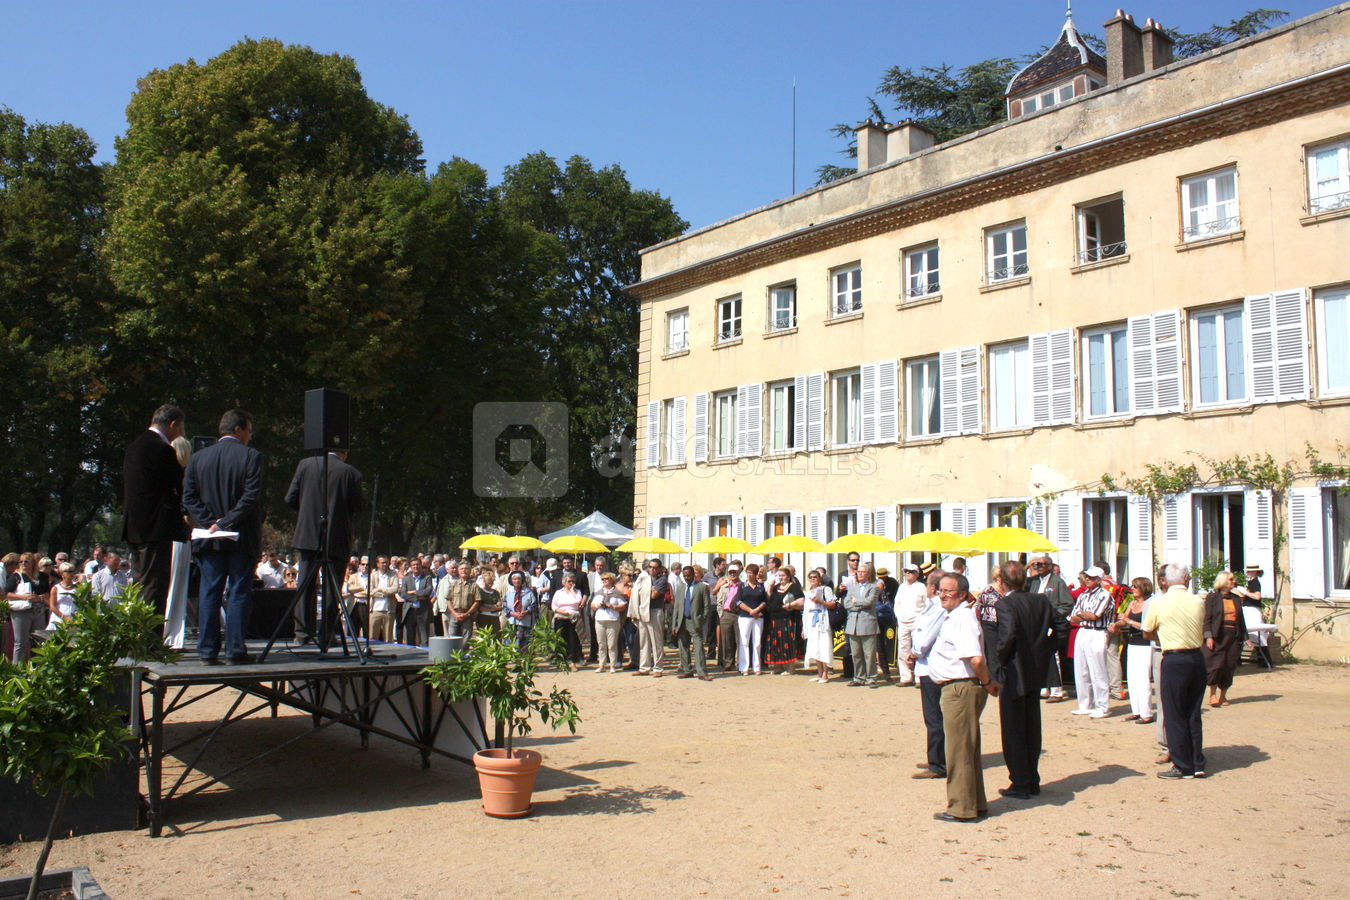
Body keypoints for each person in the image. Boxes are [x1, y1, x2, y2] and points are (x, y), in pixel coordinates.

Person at [182, 409, 265, 665]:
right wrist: (226, 521)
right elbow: (251, 496)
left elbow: (189, 498)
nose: (250, 437)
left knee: (210, 593)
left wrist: (209, 522)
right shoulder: (252, 456)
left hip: (209, 538)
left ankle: (207, 650)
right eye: (249, 431)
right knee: (239, 592)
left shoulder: (198, 458)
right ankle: (235, 649)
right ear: (239, 430)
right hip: (241, 535)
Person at [930, 573, 999, 822]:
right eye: (941, 590)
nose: (943, 594)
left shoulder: (962, 619)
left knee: (958, 751)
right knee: (966, 748)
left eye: (949, 591)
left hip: (961, 688)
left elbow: (976, 658)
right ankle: (974, 803)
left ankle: (961, 808)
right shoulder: (954, 617)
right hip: (956, 687)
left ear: (962, 594)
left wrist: (987, 682)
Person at [993, 561, 1062, 800]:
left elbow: (1008, 635)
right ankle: (1031, 778)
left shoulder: (1006, 603)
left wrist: (998, 660)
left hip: (1014, 670)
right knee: (1031, 726)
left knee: (1013, 728)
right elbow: (1062, 626)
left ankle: (1020, 781)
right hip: (1035, 668)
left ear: (1002, 581)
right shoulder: (1040, 600)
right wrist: (1046, 648)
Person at [285, 448, 363, 643]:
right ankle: (326, 634)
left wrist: (306, 512)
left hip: (307, 534)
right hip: (336, 537)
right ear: (344, 452)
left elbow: (290, 498)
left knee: (305, 584)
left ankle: (302, 633)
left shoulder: (305, 465)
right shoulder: (350, 473)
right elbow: (359, 506)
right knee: (332, 587)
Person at [122, 404, 189, 619]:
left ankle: (137, 638)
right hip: (156, 530)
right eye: (180, 429)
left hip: (134, 528)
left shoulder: (133, 447)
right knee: (155, 588)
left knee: (141, 584)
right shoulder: (162, 449)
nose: (180, 434)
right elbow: (179, 486)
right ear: (172, 424)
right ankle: (152, 644)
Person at [1144, 563, 1208, 779]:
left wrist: (1163, 637)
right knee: (1192, 712)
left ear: (1165, 580)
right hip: (1195, 657)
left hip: (1173, 657)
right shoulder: (1197, 601)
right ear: (1187, 579)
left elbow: (1147, 632)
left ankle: (1182, 765)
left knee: (1174, 713)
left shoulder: (1159, 603)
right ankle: (1197, 761)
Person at [1069, 566, 1115, 718]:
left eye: (1092, 577)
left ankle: (1102, 706)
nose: (1088, 579)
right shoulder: (1084, 595)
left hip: (1098, 632)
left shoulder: (1104, 594)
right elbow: (1073, 617)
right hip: (1083, 631)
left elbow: (1095, 615)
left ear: (1099, 579)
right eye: (1087, 576)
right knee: (1081, 669)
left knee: (1098, 670)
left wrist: (1081, 614)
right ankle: (1086, 704)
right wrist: (1083, 615)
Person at [1028, 555, 1072, 701]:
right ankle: (1043, 688)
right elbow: (1015, 582)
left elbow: (1066, 604)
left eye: (1041, 564)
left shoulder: (1058, 582)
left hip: (1051, 624)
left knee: (1053, 657)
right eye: (1036, 565)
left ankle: (1056, 691)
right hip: (1036, 624)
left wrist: (1053, 618)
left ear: (1050, 566)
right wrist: (1027, 565)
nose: (1038, 567)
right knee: (1038, 655)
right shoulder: (1034, 582)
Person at [1203, 570, 1248, 707]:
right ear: (1223, 581)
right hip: (1218, 635)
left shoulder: (1236, 599)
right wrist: (1208, 636)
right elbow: (1207, 619)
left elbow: (1241, 620)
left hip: (1233, 635)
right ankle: (1212, 695)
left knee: (1229, 665)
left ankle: (1223, 695)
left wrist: (1245, 637)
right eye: (1231, 579)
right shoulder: (1212, 598)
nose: (1234, 582)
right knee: (1216, 665)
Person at [1118, 577, 1156, 724]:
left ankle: (1146, 713)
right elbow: (1124, 619)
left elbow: (1146, 626)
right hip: (1132, 643)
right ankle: (1136, 711)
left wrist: (1128, 622)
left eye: (1135, 586)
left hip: (1145, 644)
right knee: (1132, 678)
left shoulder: (1149, 604)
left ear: (1143, 588)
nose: (1132, 589)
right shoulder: (1133, 603)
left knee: (1143, 679)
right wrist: (1117, 624)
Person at [671, 565, 712, 680]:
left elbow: (706, 606)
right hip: (682, 621)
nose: (687, 578)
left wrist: (702, 619)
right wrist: (674, 624)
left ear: (694, 575)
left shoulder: (701, 587)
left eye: (689, 575)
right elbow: (676, 608)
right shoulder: (680, 588)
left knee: (698, 646)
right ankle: (687, 670)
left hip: (695, 621)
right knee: (683, 646)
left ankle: (701, 671)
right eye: (684, 576)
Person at [630, 559, 669, 676]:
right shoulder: (644, 578)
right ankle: (644, 667)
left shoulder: (662, 580)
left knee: (656, 641)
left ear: (660, 569)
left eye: (655, 567)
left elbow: (653, 595)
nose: (652, 569)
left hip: (655, 612)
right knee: (644, 641)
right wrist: (648, 590)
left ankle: (658, 668)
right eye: (651, 567)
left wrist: (646, 591)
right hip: (643, 611)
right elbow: (637, 592)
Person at [843, 562, 881, 687]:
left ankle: (871, 678)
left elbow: (869, 602)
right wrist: (859, 605)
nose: (859, 574)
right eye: (858, 572)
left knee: (869, 654)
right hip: (853, 624)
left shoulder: (873, 587)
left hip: (867, 623)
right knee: (856, 653)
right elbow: (846, 604)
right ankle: (859, 677)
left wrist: (856, 602)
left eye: (862, 572)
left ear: (868, 574)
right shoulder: (852, 588)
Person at [2, 553, 43, 663]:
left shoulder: (38, 577)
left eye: (26, 561)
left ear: (33, 563)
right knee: (20, 642)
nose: (23, 564)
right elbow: (6, 594)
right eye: (21, 561)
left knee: (39, 640)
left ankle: (38, 669)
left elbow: (45, 592)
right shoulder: (16, 576)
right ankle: (17, 671)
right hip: (21, 612)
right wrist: (24, 597)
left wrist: (40, 597)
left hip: (37, 610)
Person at [763, 568, 803, 675]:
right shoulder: (775, 588)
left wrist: (791, 605)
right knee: (776, 643)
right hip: (774, 619)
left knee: (787, 643)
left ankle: (790, 668)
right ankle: (778, 667)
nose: (780, 578)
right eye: (779, 576)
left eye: (783, 576)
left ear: (788, 577)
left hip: (788, 619)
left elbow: (802, 601)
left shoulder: (794, 587)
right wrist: (770, 590)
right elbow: (769, 601)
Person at [801, 570, 837, 683]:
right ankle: (819, 672)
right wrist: (804, 628)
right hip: (812, 621)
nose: (813, 579)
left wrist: (820, 601)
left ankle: (825, 673)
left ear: (819, 578)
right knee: (814, 647)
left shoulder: (826, 589)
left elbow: (832, 604)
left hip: (822, 620)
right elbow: (806, 610)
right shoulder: (809, 592)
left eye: (815, 577)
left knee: (823, 645)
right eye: (810, 577)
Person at [894, 564, 927, 685]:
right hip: (903, 622)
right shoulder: (902, 587)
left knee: (918, 649)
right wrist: (899, 617)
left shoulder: (921, 587)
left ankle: (919, 677)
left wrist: (921, 619)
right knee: (903, 649)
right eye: (906, 571)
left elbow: (926, 604)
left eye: (911, 572)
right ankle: (905, 677)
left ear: (917, 574)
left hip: (917, 622)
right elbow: (897, 603)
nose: (908, 573)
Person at [1237, 563, 1272, 668]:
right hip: (1248, 609)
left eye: (1249, 571)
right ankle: (1238, 660)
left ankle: (1265, 662)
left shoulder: (1256, 582)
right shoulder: (1250, 582)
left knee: (1257, 635)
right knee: (1245, 633)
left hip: (1253, 610)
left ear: (1255, 572)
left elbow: (1257, 597)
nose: (1247, 572)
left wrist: (1245, 593)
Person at [590, 572, 627, 672]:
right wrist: (597, 605)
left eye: (606, 579)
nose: (604, 581)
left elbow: (623, 606)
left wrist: (613, 606)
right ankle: (602, 665)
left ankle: (612, 665)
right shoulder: (598, 592)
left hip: (613, 620)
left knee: (612, 644)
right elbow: (592, 605)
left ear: (611, 580)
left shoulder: (617, 593)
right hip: (600, 620)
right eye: (603, 579)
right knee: (601, 644)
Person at [735, 564, 768, 676]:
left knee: (757, 642)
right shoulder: (742, 586)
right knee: (744, 641)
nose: (749, 575)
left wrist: (757, 610)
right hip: (745, 616)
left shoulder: (760, 587)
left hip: (758, 617)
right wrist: (750, 611)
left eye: (751, 573)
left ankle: (756, 666)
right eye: (747, 573)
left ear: (755, 574)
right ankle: (744, 667)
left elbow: (764, 601)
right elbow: (738, 601)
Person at [438, 561, 480, 640]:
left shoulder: (474, 585)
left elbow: (477, 601)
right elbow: (448, 600)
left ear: (470, 570)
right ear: (458, 571)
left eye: (466, 569)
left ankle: (463, 652)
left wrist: (467, 614)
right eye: (461, 569)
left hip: (467, 615)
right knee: (452, 638)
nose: (464, 570)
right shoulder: (453, 584)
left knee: (465, 640)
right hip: (454, 615)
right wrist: (454, 613)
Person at [551, 572, 586, 663]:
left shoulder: (577, 592)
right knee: (561, 638)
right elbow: (554, 605)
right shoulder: (558, 592)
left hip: (573, 618)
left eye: (573, 581)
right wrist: (560, 611)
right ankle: (560, 659)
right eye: (569, 581)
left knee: (573, 638)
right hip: (561, 617)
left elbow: (577, 601)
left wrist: (572, 591)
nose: (571, 583)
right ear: (564, 582)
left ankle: (573, 658)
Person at [398, 559, 433, 647]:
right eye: (413, 565)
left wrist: (413, 592)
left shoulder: (427, 577)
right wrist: (417, 598)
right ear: (410, 567)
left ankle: (424, 655)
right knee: (410, 636)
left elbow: (428, 591)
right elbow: (402, 593)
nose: (416, 566)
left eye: (417, 564)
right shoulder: (406, 579)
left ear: (421, 566)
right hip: (410, 610)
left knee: (424, 638)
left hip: (423, 611)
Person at [715, 562, 743, 671]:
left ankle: (739, 662)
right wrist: (721, 614)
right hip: (726, 614)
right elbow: (719, 601)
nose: (732, 574)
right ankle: (727, 662)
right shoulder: (724, 586)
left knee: (739, 640)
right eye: (730, 572)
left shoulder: (743, 586)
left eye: (734, 572)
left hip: (738, 615)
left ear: (738, 573)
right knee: (726, 640)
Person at [502, 570, 539, 649]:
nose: (517, 581)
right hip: (511, 621)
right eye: (514, 579)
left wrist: (526, 611)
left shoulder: (528, 592)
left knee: (524, 644)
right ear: (511, 581)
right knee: (510, 641)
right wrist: (512, 614)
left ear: (522, 580)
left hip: (524, 621)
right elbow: (504, 606)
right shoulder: (509, 592)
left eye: (519, 579)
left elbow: (534, 605)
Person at [366, 557, 399, 642]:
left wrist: (381, 589)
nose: (385, 564)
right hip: (374, 610)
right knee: (372, 636)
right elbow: (370, 591)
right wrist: (386, 593)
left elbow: (395, 589)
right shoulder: (373, 575)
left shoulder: (393, 575)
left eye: (386, 562)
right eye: (383, 563)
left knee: (388, 638)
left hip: (388, 610)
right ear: (377, 564)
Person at [45, 562, 80, 635]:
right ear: (62, 573)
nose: (72, 574)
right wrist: (64, 617)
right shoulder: (56, 588)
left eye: (73, 571)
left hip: (74, 619)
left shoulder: (78, 588)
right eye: (69, 572)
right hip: (59, 619)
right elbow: (52, 607)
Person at [344, 559, 370, 639]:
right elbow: (350, 588)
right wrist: (362, 588)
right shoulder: (353, 576)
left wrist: (356, 593)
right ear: (359, 565)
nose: (365, 566)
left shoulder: (373, 577)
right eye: (363, 564)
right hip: (354, 605)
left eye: (367, 564)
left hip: (366, 605)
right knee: (352, 630)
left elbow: (371, 591)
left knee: (366, 630)